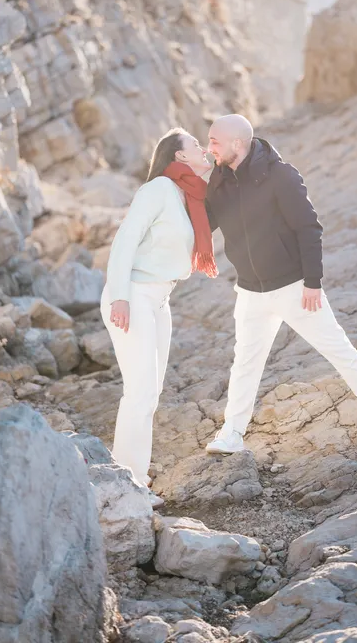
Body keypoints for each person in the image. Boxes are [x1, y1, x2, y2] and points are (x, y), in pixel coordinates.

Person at [204, 114, 357, 455]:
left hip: (295, 288)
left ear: (237, 143)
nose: (210, 148)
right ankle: (232, 433)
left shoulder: (280, 175)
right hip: (250, 291)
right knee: (245, 364)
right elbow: (205, 223)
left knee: (341, 353)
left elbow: (309, 227)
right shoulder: (218, 179)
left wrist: (313, 282)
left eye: (214, 142)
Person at [100, 128, 216, 506]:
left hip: (159, 300)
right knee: (140, 392)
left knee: (150, 394)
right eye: (196, 145)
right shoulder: (158, 190)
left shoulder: (188, 196)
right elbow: (125, 241)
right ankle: (129, 482)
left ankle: (134, 475)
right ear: (179, 156)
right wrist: (120, 297)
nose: (203, 148)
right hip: (133, 294)